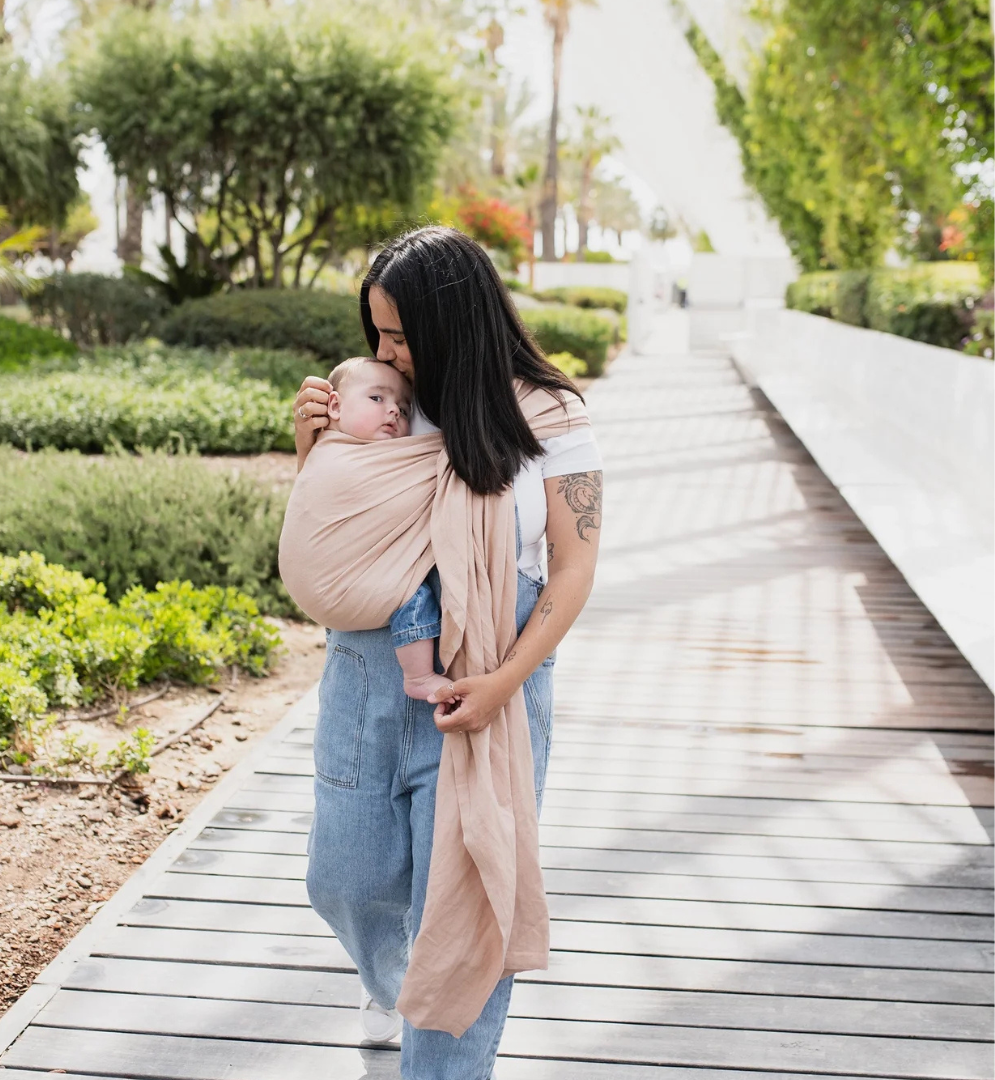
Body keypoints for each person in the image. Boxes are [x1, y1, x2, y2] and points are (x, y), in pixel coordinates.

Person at [292, 226, 603, 1079]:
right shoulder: (377, 401)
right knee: (345, 882)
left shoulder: (549, 414)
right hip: (365, 672)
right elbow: (332, 526)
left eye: (402, 334)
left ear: (454, 321)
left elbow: (575, 568)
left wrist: (506, 682)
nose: (388, 354)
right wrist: (310, 446)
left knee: (467, 905)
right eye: (379, 334)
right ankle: (399, 978)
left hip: (491, 684)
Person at [320, 354, 449, 700]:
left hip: (360, 574)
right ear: (335, 406)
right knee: (414, 595)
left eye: (404, 409)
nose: (393, 410)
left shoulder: (389, 454)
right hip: (345, 571)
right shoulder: (329, 450)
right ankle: (419, 675)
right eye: (377, 399)